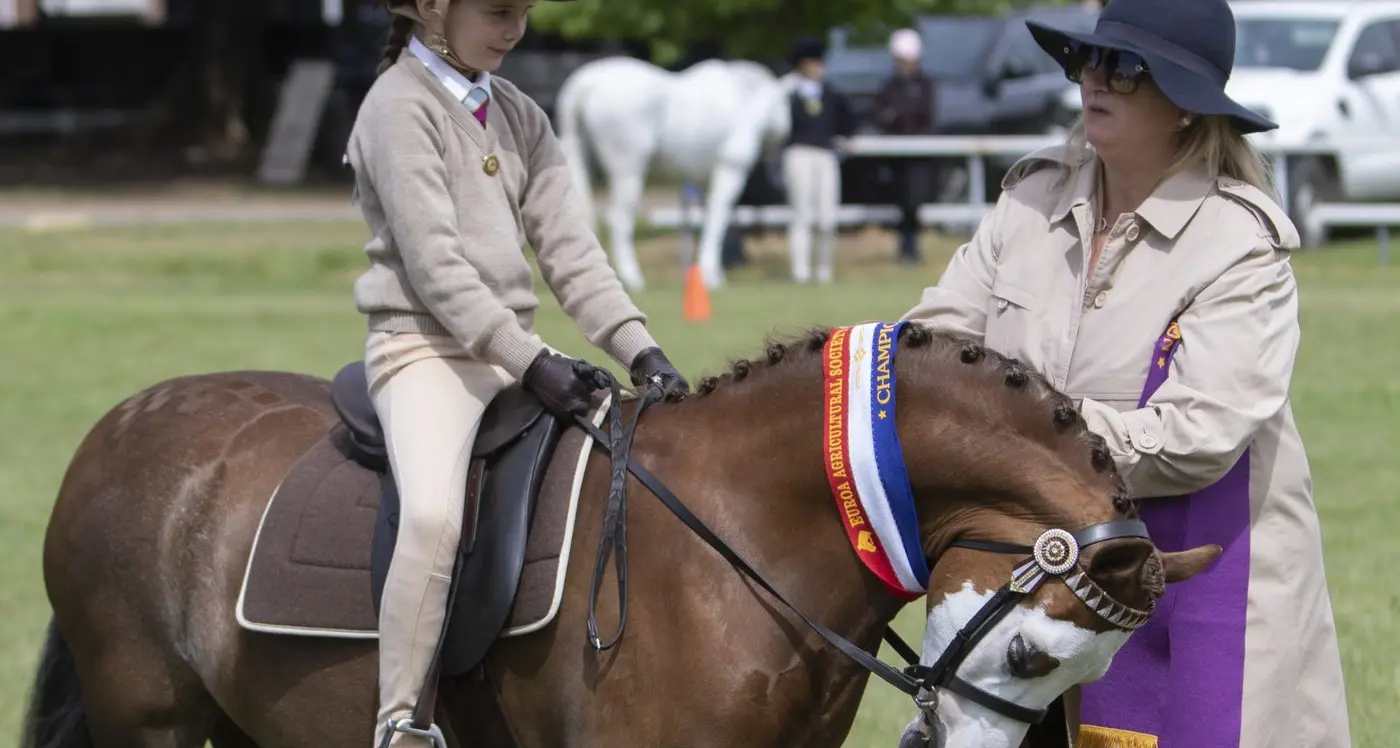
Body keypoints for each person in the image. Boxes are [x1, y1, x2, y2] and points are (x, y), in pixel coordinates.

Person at [899, 0, 1352, 746]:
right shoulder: (1027, 201)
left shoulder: (1240, 242)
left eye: (1128, 67)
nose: (1096, 78)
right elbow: (931, 352)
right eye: (1090, 58)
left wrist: (1011, 442)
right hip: (1023, 582)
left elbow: (1198, 435)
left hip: (1198, 584)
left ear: (1187, 105)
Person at [343, 1, 689, 745]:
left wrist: (640, 349)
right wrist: (533, 361)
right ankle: (400, 720)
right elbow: (436, 269)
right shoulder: (397, 107)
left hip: (514, 354)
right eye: (498, 11)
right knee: (432, 518)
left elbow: (570, 251)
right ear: (433, 8)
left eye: (523, 12)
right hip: (425, 351)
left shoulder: (519, 112)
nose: (515, 29)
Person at [782, 34, 857, 284]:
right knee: (801, 214)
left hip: (825, 154)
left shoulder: (832, 94)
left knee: (827, 217)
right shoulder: (790, 95)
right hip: (799, 153)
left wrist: (846, 137)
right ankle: (800, 270)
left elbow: (848, 122)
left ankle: (824, 268)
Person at [870, 27, 938, 266]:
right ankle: (905, 249)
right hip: (896, 157)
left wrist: (899, 115)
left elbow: (924, 116)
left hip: (918, 156)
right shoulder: (890, 86)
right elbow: (881, 117)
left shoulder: (925, 85)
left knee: (914, 202)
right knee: (901, 202)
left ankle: (912, 249)